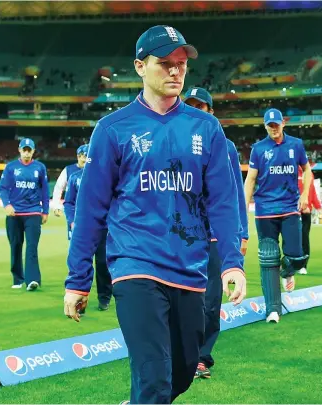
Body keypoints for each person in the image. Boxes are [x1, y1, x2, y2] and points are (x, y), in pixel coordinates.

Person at [63, 25, 246, 405]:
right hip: (136, 266)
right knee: (155, 378)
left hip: (190, 269)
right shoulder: (112, 129)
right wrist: (78, 279)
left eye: (181, 64)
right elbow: (90, 210)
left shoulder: (207, 129)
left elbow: (224, 203)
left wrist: (232, 262)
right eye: (165, 63)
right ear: (140, 67)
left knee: (181, 373)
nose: (176, 71)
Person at [181, 86, 249, 380]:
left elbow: (235, 193)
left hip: (214, 236)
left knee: (210, 301)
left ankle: (201, 356)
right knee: (181, 297)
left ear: (211, 112)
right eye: (191, 105)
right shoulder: (174, 143)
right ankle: (180, 351)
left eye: (202, 107)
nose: (197, 110)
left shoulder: (227, 147)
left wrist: (241, 233)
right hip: (181, 235)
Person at [244, 108, 312, 324]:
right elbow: (251, 180)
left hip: (290, 207)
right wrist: (243, 207)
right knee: (268, 259)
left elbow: (308, 171)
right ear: (265, 126)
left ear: (283, 123)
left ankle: (287, 272)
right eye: (269, 125)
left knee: (297, 255)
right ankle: (272, 310)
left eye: (276, 124)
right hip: (265, 210)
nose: (274, 128)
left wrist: (305, 194)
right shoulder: (258, 149)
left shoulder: (296, 144)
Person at [63, 145, 113, 312]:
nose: (85, 159)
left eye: (88, 155)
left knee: (102, 263)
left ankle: (104, 297)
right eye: (82, 156)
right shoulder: (75, 177)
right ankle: (80, 301)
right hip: (82, 228)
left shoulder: (104, 177)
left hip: (102, 227)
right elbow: (69, 203)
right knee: (80, 263)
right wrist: (72, 221)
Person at [0, 138, 49, 291]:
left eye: (29, 150)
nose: (27, 153)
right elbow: (3, 188)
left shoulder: (40, 167)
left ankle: (32, 279)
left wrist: (45, 211)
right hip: (14, 214)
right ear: (19, 150)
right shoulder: (11, 167)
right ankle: (17, 278)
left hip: (33, 212)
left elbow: (45, 191)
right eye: (24, 150)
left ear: (33, 151)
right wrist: (7, 204)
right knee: (15, 246)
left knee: (32, 247)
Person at [52, 144, 88, 240]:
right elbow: (58, 188)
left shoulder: (95, 170)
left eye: (86, 156)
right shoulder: (69, 170)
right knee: (75, 243)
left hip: (91, 213)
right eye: (82, 156)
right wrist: (56, 206)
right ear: (78, 156)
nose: (84, 159)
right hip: (74, 212)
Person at [297, 165, 322, 275]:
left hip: (306, 211)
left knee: (304, 238)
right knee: (290, 238)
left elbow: (312, 191)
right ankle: (291, 264)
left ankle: (303, 265)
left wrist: (318, 206)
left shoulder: (309, 173)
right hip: (293, 210)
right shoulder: (291, 171)